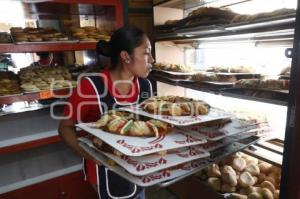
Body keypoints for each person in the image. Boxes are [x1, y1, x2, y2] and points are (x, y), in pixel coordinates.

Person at [58, 26, 154, 199]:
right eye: (146, 53)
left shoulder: (146, 86)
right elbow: (65, 128)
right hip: (106, 173)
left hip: (139, 169)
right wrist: (90, 156)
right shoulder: (91, 87)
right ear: (125, 56)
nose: (152, 60)